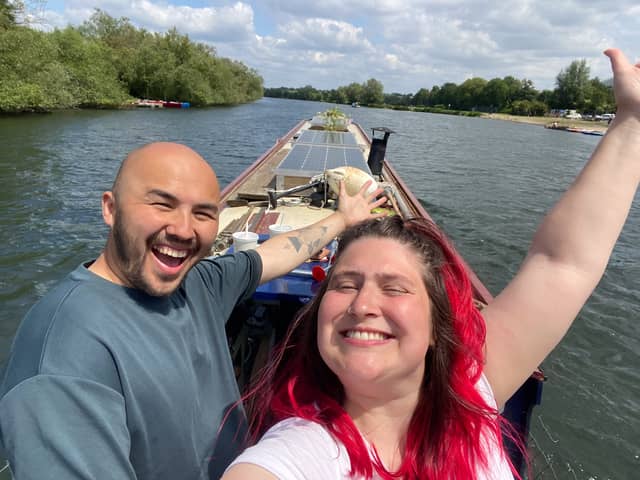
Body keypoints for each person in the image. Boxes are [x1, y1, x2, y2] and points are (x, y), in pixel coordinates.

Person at [222, 47, 640, 479]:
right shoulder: (296, 453)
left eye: (395, 287)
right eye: (345, 284)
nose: (362, 303)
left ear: (437, 326)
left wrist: (632, 120)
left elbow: (562, 263)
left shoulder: (473, 392)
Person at [0, 141, 386, 479]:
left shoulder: (198, 285)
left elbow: (272, 255)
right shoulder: (64, 358)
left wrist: (343, 219)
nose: (184, 230)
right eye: (161, 204)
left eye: (202, 213)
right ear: (110, 209)